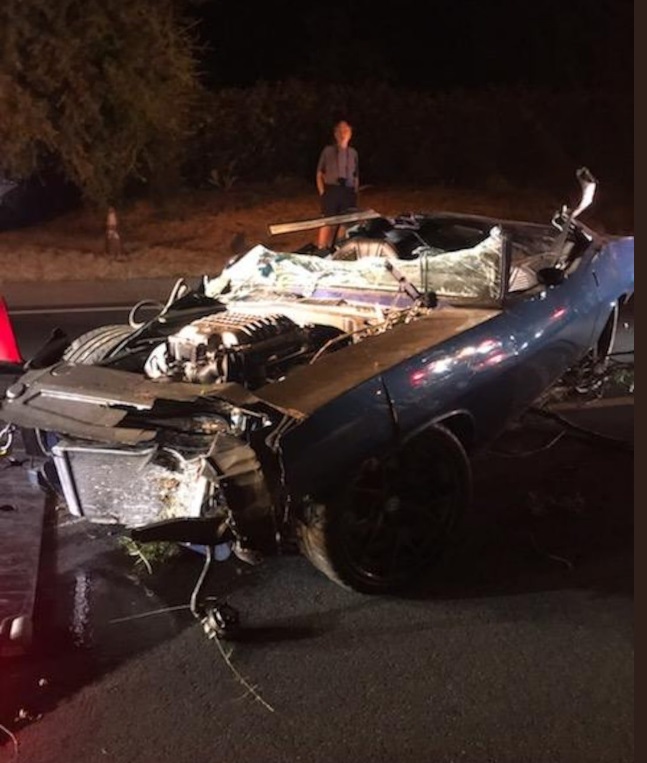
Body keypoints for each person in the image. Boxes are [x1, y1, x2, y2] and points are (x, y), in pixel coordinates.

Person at [315, 119, 359, 249]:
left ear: (350, 133)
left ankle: (339, 247)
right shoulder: (328, 151)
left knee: (345, 222)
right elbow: (319, 173)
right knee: (327, 221)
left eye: (346, 130)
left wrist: (355, 192)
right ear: (335, 134)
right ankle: (321, 249)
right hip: (332, 190)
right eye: (340, 130)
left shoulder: (353, 153)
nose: (343, 133)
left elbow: (356, 175)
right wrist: (322, 192)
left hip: (348, 190)